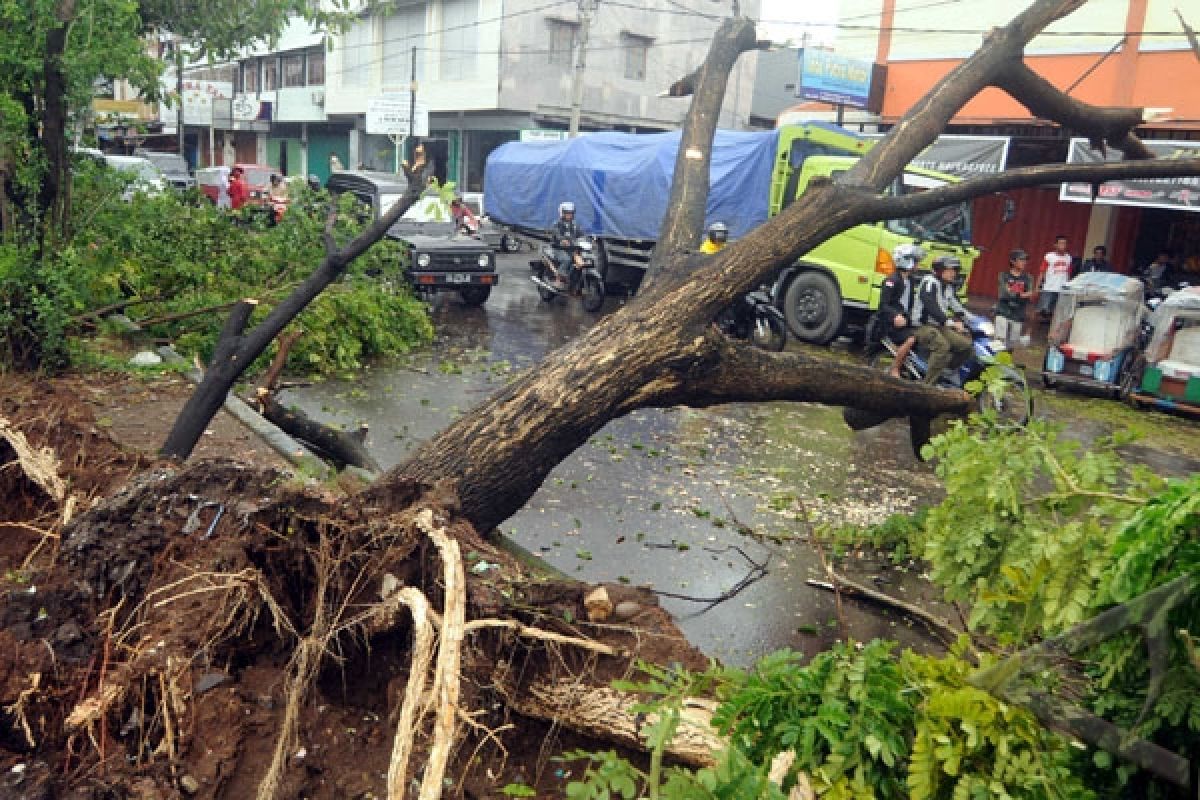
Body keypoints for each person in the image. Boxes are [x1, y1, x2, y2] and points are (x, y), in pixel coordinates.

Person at [913, 255, 972, 385]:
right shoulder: (929, 282)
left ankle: (946, 370)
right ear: (939, 270)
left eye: (955, 271)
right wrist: (949, 322)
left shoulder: (948, 287)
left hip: (939, 326)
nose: (953, 274)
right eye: (950, 270)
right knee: (942, 346)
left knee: (966, 346)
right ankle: (927, 384)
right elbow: (930, 304)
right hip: (923, 326)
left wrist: (972, 319)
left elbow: (956, 305)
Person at [878, 243, 925, 377]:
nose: (918, 265)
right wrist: (895, 316)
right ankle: (895, 368)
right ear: (906, 261)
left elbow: (909, 305)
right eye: (916, 262)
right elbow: (883, 305)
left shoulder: (910, 280)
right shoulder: (892, 280)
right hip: (889, 323)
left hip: (905, 320)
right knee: (910, 339)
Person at [995, 248, 1035, 350]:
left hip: (1018, 314)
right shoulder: (1003, 275)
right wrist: (1021, 294)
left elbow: (1031, 294)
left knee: (1012, 344)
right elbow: (1003, 294)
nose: (1024, 262)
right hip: (1003, 311)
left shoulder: (1028, 278)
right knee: (999, 341)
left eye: (1025, 260)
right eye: (1021, 260)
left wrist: (1012, 292)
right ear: (1012, 261)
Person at [1036, 234, 1074, 319]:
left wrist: (1068, 288)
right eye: (1060, 243)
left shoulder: (1069, 258)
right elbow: (1042, 272)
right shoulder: (1049, 256)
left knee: (1056, 312)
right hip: (1049, 288)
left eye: (1064, 243)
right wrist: (1037, 287)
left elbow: (1068, 274)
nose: (1063, 246)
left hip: (1061, 289)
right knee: (1042, 311)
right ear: (1055, 245)